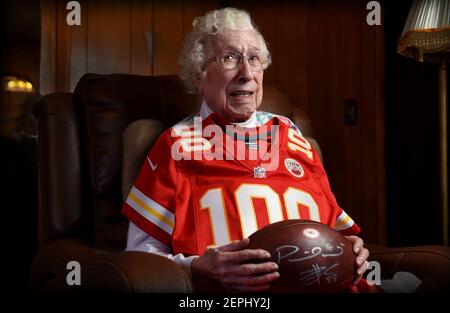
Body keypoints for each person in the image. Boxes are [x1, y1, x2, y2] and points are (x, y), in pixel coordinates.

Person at [121, 7, 370, 292]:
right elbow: (139, 260)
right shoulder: (176, 145)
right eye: (230, 58)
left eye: (254, 58)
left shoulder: (295, 138)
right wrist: (197, 268)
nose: (247, 73)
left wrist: (351, 250)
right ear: (200, 74)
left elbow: (335, 233)